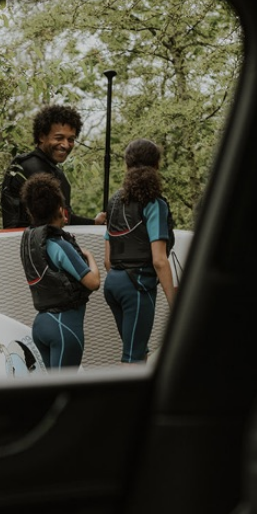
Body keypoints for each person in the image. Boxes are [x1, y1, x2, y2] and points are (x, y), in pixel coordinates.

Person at [103, 138, 176, 363]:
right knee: (133, 357)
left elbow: (107, 259)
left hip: (113, 284)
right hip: (136, 286)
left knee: (138, 350)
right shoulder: (154, 203)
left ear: (126, 166)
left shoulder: (115, 201)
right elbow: (159, 260)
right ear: (156, 166)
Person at [19, 173, 100, 369]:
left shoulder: (32, 243)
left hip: (41, 325)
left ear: (32, 212)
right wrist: (90, 257)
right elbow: (93, 282)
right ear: (60, 209)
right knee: (63, 393)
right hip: (64, 328)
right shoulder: (60, 245)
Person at [1, 104, 107, 228]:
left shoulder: (56, 173)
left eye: (71, 139)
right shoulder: (29, 168)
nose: (65, 145)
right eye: (59, 138)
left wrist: (94, 223)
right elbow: (49, 222)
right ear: (41, 137)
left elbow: (63, 218)